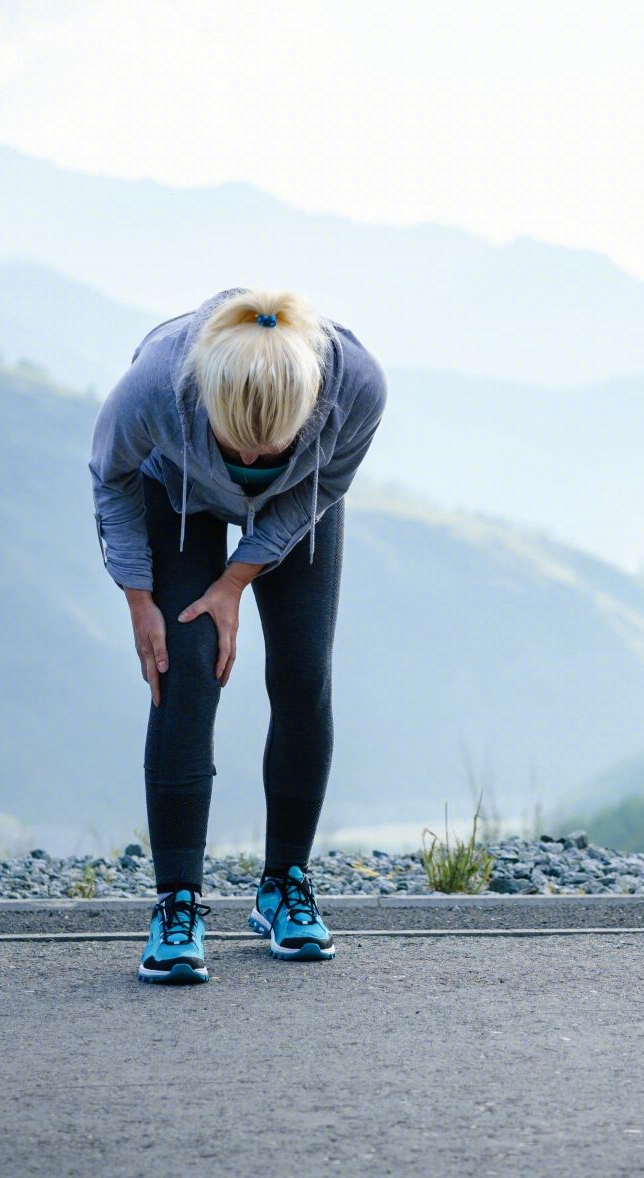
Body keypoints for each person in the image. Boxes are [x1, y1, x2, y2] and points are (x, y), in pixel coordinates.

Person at [89, 287, 386, 984]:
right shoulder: (155, 387)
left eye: (268, 451)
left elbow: (329, 486)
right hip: (177, 492)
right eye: (236, 447)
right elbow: (111, 479)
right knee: (182, 663)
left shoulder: (357, 389)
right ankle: (177, 903)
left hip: (299, 502)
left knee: (303, 672)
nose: (250, 462)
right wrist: (139, 598)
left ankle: (284, 884)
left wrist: (236, 581)